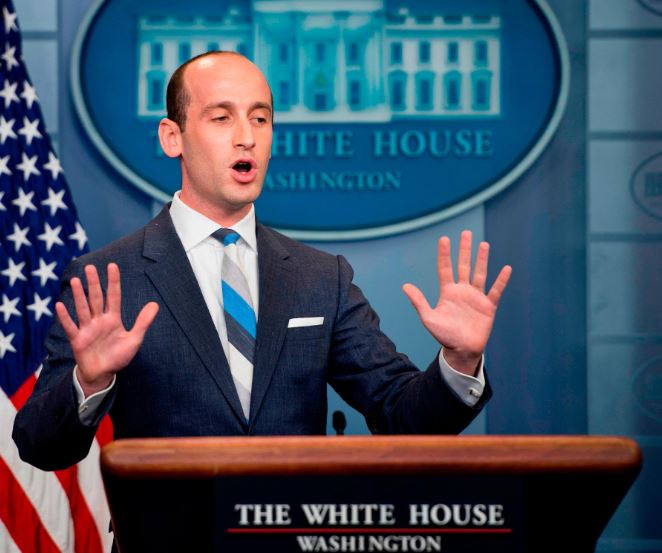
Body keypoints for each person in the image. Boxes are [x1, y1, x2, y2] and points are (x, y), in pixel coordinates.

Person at [13, 52, 511, 471]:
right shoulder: (109, 280)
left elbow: (403, 416)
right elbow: (40, 446)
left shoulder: (322, 279)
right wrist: (90, 382)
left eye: (260, 118)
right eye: (221, 118)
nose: (247, 137)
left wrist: (459, 362)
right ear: (172, 137)